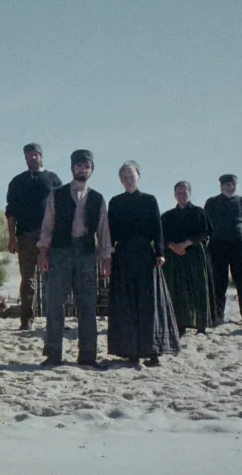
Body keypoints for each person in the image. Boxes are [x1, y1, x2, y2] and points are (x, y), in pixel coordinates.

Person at [38, 150, 112, 368]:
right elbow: (47, 226)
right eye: (79, 166)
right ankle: (53, 355)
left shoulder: (98, 198)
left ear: (92, 170)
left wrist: (107, 258)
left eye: (87, 166)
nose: (83, 170)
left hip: (87, 254)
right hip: (60, 253)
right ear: (72, 168)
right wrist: (43, 252)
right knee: (54, 305)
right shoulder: (56, 194)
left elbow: (103, 231)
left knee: (87, 305)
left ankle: (88, 355)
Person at [106, 162, 180, 366]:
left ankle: (153, 351)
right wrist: (108, 254)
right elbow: (110, 231)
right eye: (124, 177)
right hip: (123, 256)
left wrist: (160, 252)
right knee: (127, 303)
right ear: (120, 180)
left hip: (146, 256)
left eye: (131, 176)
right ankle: (130, 351)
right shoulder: (115, 202)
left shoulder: (149, 200)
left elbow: (158, 228)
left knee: (149, 304)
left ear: (139, 177)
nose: (128, 180)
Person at [6, 143, 63, 330]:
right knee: (27, 278)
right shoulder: (17, 182)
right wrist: (12, 238)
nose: (32, 158)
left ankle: (54, 319)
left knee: (52, 277)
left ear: (41, 156)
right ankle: (26, 320)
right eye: (28, 155)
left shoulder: (53, 179)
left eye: (35, 155)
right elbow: (10, 212)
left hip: (50, 235)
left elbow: (63, 208)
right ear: (25, 158)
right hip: (25, 234)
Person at [161, 181, 217, 334]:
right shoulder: (167, 216)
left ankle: (201, 324)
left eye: (184, 192)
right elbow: (162, 236)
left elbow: (205, 232)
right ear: (174, 195)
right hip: (174, 258)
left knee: (198, 289)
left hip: (195, 256)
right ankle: (180, 324)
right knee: (178, 290)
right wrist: (173, 246)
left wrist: (186, 244)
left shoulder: (199, 212)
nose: (181, 195)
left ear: (190, 193)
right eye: (178, 193)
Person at [204, 174, 242, 323]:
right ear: (221, 186)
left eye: (232, 185)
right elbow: (205, 224)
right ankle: (217, 315)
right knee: (219, 282)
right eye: (226, 185)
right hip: (217, 244)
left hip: (239, 244)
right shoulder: (212, 202)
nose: (229, 187)